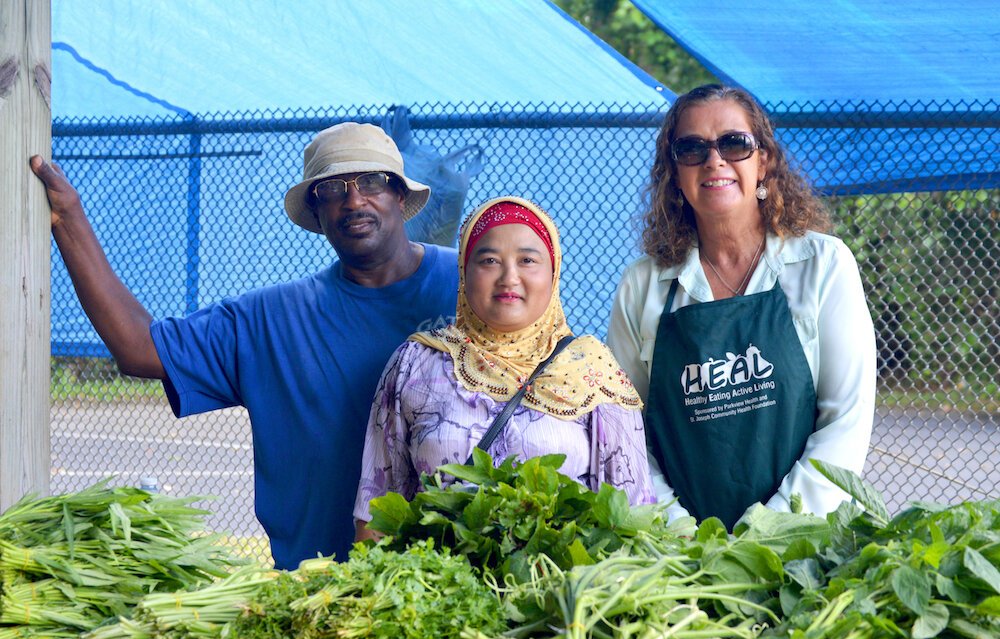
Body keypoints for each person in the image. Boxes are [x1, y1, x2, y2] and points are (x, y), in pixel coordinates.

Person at [30, 122, 459, 569]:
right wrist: (69, 218)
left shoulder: (470, 287)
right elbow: (139, 347)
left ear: (399, 194)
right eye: (332, 189)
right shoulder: (272, 319)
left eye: (371, 181)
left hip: (452, 573)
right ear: (316, 212)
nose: (354, 200)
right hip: (317, 586)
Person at [607, 84, 876, 530]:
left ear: (763, 161)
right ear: (674, 173)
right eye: (691, 149)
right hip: (679, 562)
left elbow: (844, 425)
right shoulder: (643, 285)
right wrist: (685, 537)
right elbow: (624, 430)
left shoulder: (823, 266)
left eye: (734, 143)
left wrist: (765, 535)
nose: (715, 161)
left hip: (805, 548)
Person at [354, 197, 656, 538]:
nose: (509, 277)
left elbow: (632, 514)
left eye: (527, 260)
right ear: (464, 273)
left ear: (553, 272)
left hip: (563, 583)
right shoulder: (416, 362)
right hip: (439, 584)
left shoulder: (593, 371)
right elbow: (375, 510)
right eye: (489, 260)